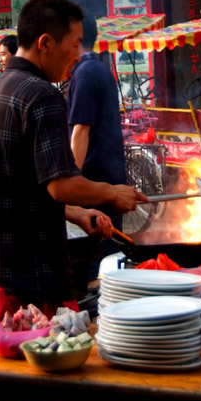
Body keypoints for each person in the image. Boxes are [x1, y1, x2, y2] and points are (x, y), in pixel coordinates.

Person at [0, 0, 148, 401]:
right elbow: (61, 182)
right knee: (59, 394)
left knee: (14, 394)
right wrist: (110, 193)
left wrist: (77, 213)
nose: (76, 56)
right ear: (45, 42)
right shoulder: (43, 96)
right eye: (73, 45)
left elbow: (22, 185)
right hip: (31, 278)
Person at [67, 16, 127, 279]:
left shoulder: (84, 73)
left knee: (94, 264)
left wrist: (69, 180)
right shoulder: (100, 68)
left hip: (94, 183)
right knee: (109, 256)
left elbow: (81, 131)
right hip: (108, 177)